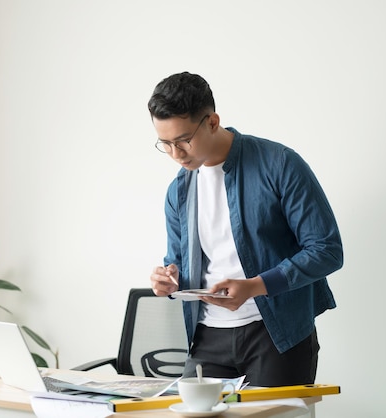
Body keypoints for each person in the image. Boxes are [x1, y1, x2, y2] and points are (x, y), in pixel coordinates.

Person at [147, 72, 343, 387]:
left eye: (183, 140)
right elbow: (179, 264)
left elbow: (327, 250)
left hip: (277, 335)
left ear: (212, 122)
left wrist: (255, 286)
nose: (175, 154)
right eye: (165, 143)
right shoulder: (178, 192)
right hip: (207, 338)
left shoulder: (279, 164)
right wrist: (168, 281)